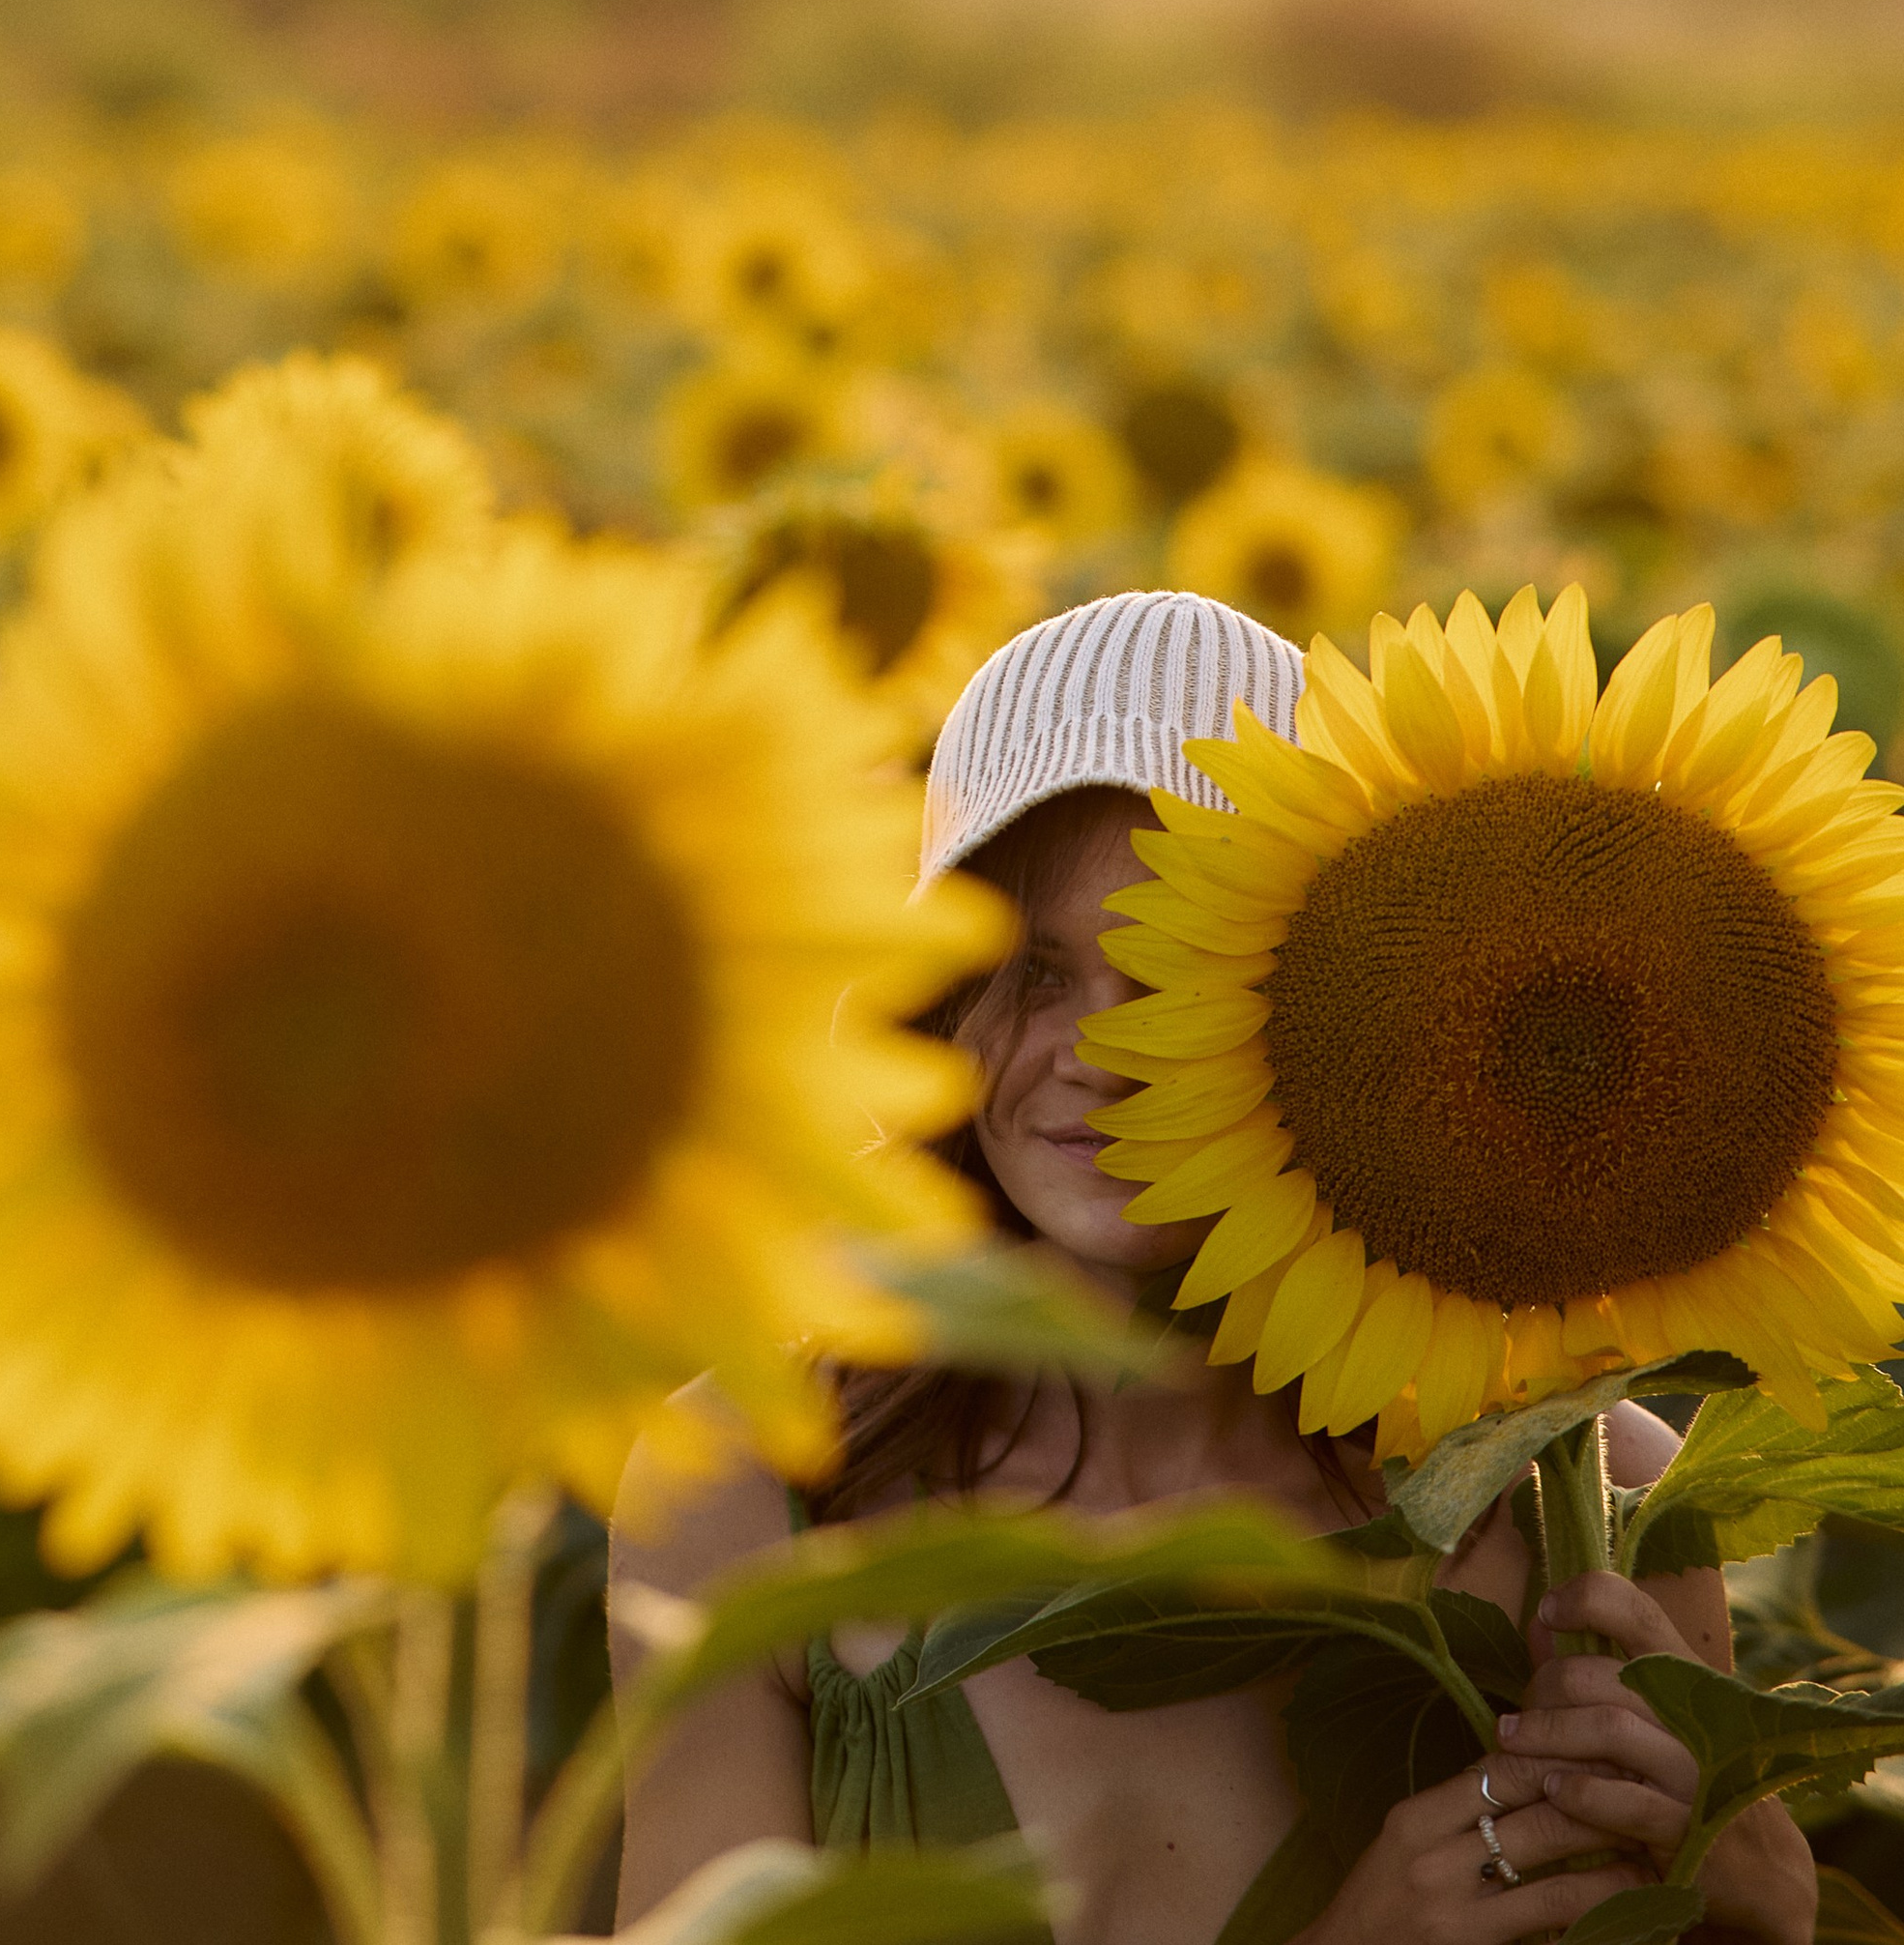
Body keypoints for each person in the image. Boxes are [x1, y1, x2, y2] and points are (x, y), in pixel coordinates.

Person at [610, 590, 1816, 1945]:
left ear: (1323, 997)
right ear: (942, 1003)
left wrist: (1760, 1889)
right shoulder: (743, 1486)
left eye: (1175, 969)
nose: (1100, 1053)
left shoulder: (1581, 1490)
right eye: (1034, 972)